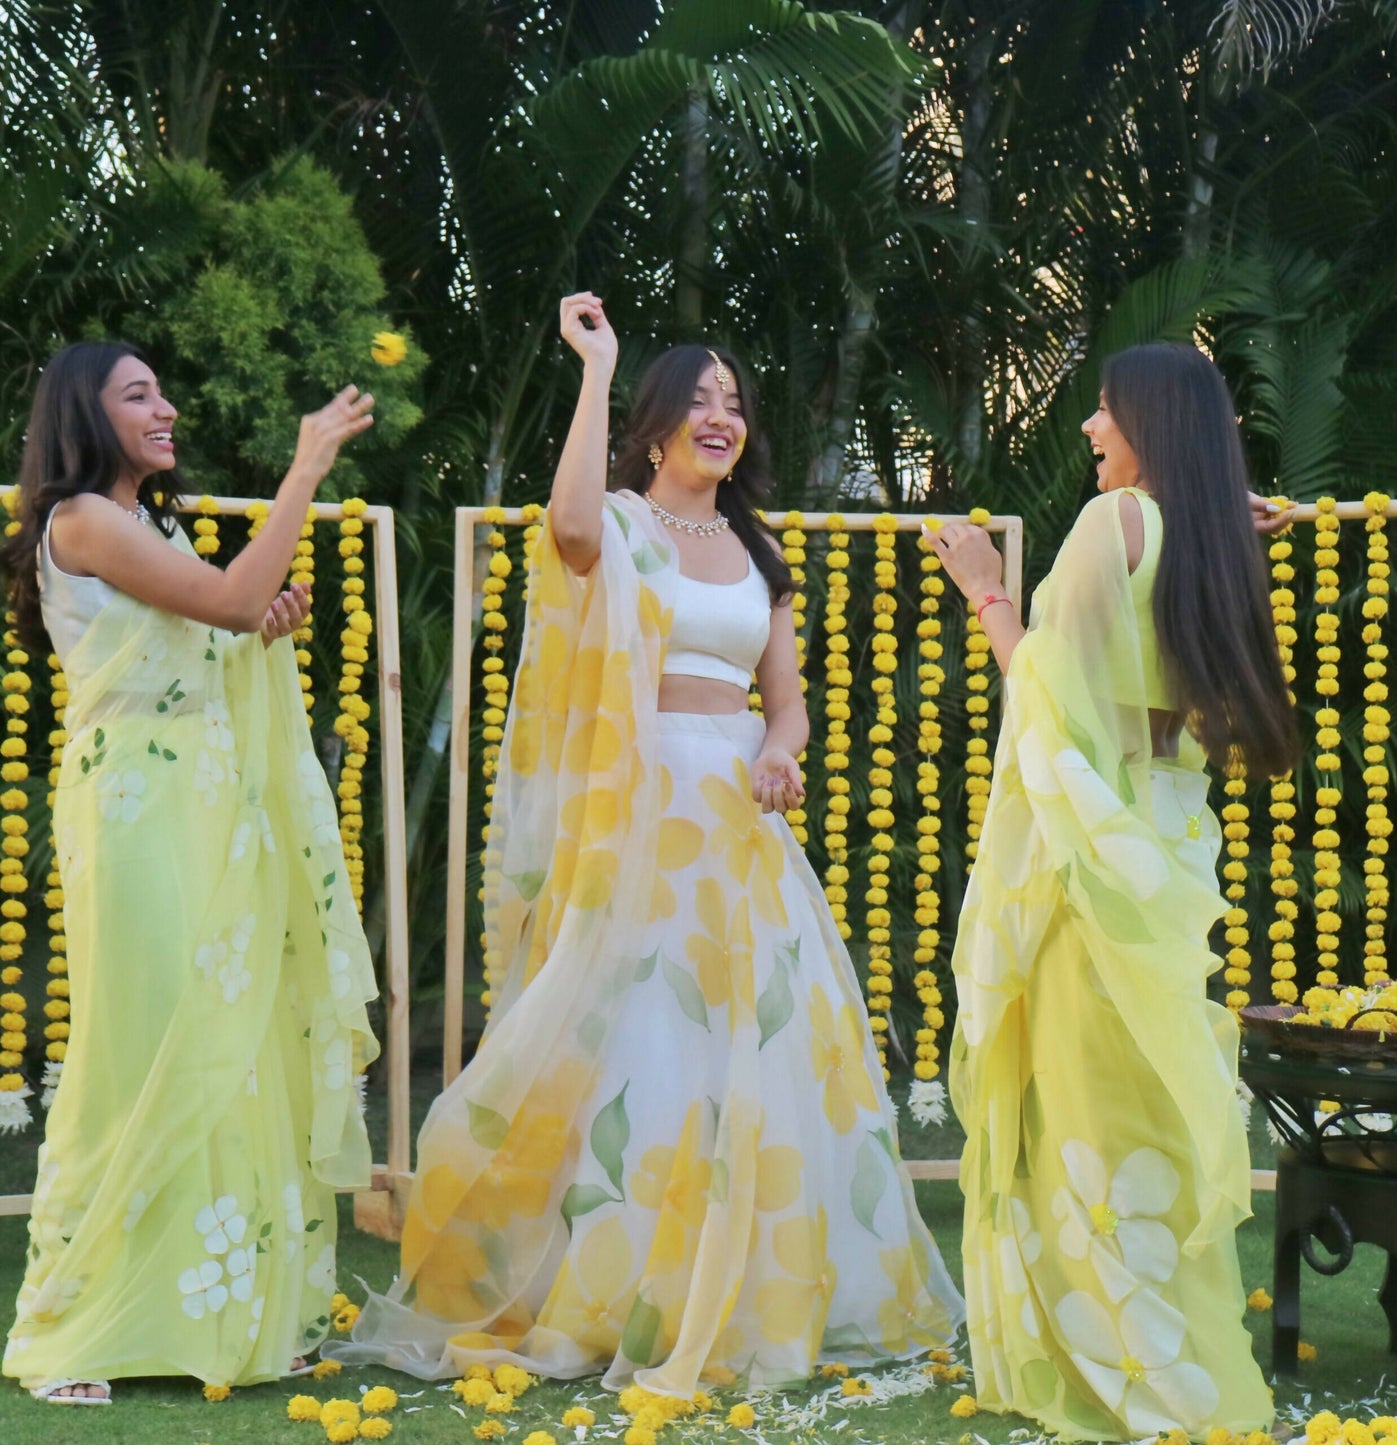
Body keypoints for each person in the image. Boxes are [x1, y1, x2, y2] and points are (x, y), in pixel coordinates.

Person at [330, 293, 964, 1394]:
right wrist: (594, 367)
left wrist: (778, 748)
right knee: (634, 1045)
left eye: (735, 402)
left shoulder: (758, 553)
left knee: (752, 1052)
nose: (720, 417)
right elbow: (567, 531)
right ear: (657, 421)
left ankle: (750, 1285)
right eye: (699, 400)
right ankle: (617, 1286)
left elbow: (788, 700)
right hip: (639, 815)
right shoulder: (618, 521)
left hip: (736, 822)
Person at [923, 342, 1295, 1440]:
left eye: (1099, 411)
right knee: (1149, 1093)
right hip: (1174, 832)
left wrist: (985, 592)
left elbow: (1047, 690)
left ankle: (1124, 1363)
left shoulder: (1115, 523)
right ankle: (1171, 1343)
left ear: (1146, 424)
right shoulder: (1221, 544)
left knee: (1083, 1094)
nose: (1088, 430)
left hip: (1098, 841)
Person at [1, 341, 380, 1403]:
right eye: (139, 394)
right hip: (139, 806)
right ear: (85, 413)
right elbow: (220, 600)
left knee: (231, 1036)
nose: (165, 407)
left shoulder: (146, 522)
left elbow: (218, 622)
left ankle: (228, 1311)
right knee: (144, 1039)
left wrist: (254, 628)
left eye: (163, 389)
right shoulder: (82, 518)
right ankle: (75, 1325)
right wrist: (302, 471)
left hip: (208, 803)